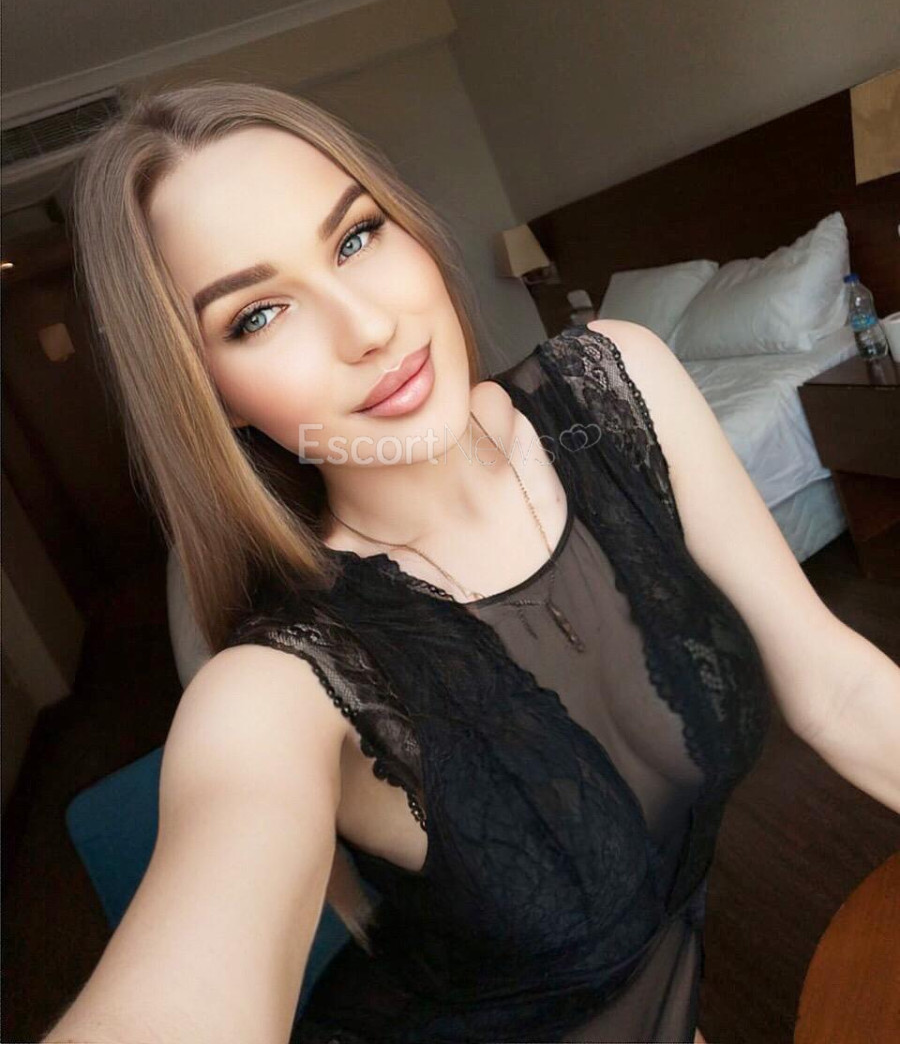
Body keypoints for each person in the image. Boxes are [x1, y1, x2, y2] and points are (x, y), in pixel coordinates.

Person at [43, 81, 899, 1044]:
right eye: (258, 315)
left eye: (355, 237)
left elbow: (839, 689)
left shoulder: (620, 384)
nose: (368, 327)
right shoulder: (279, 684)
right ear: (213, 398)